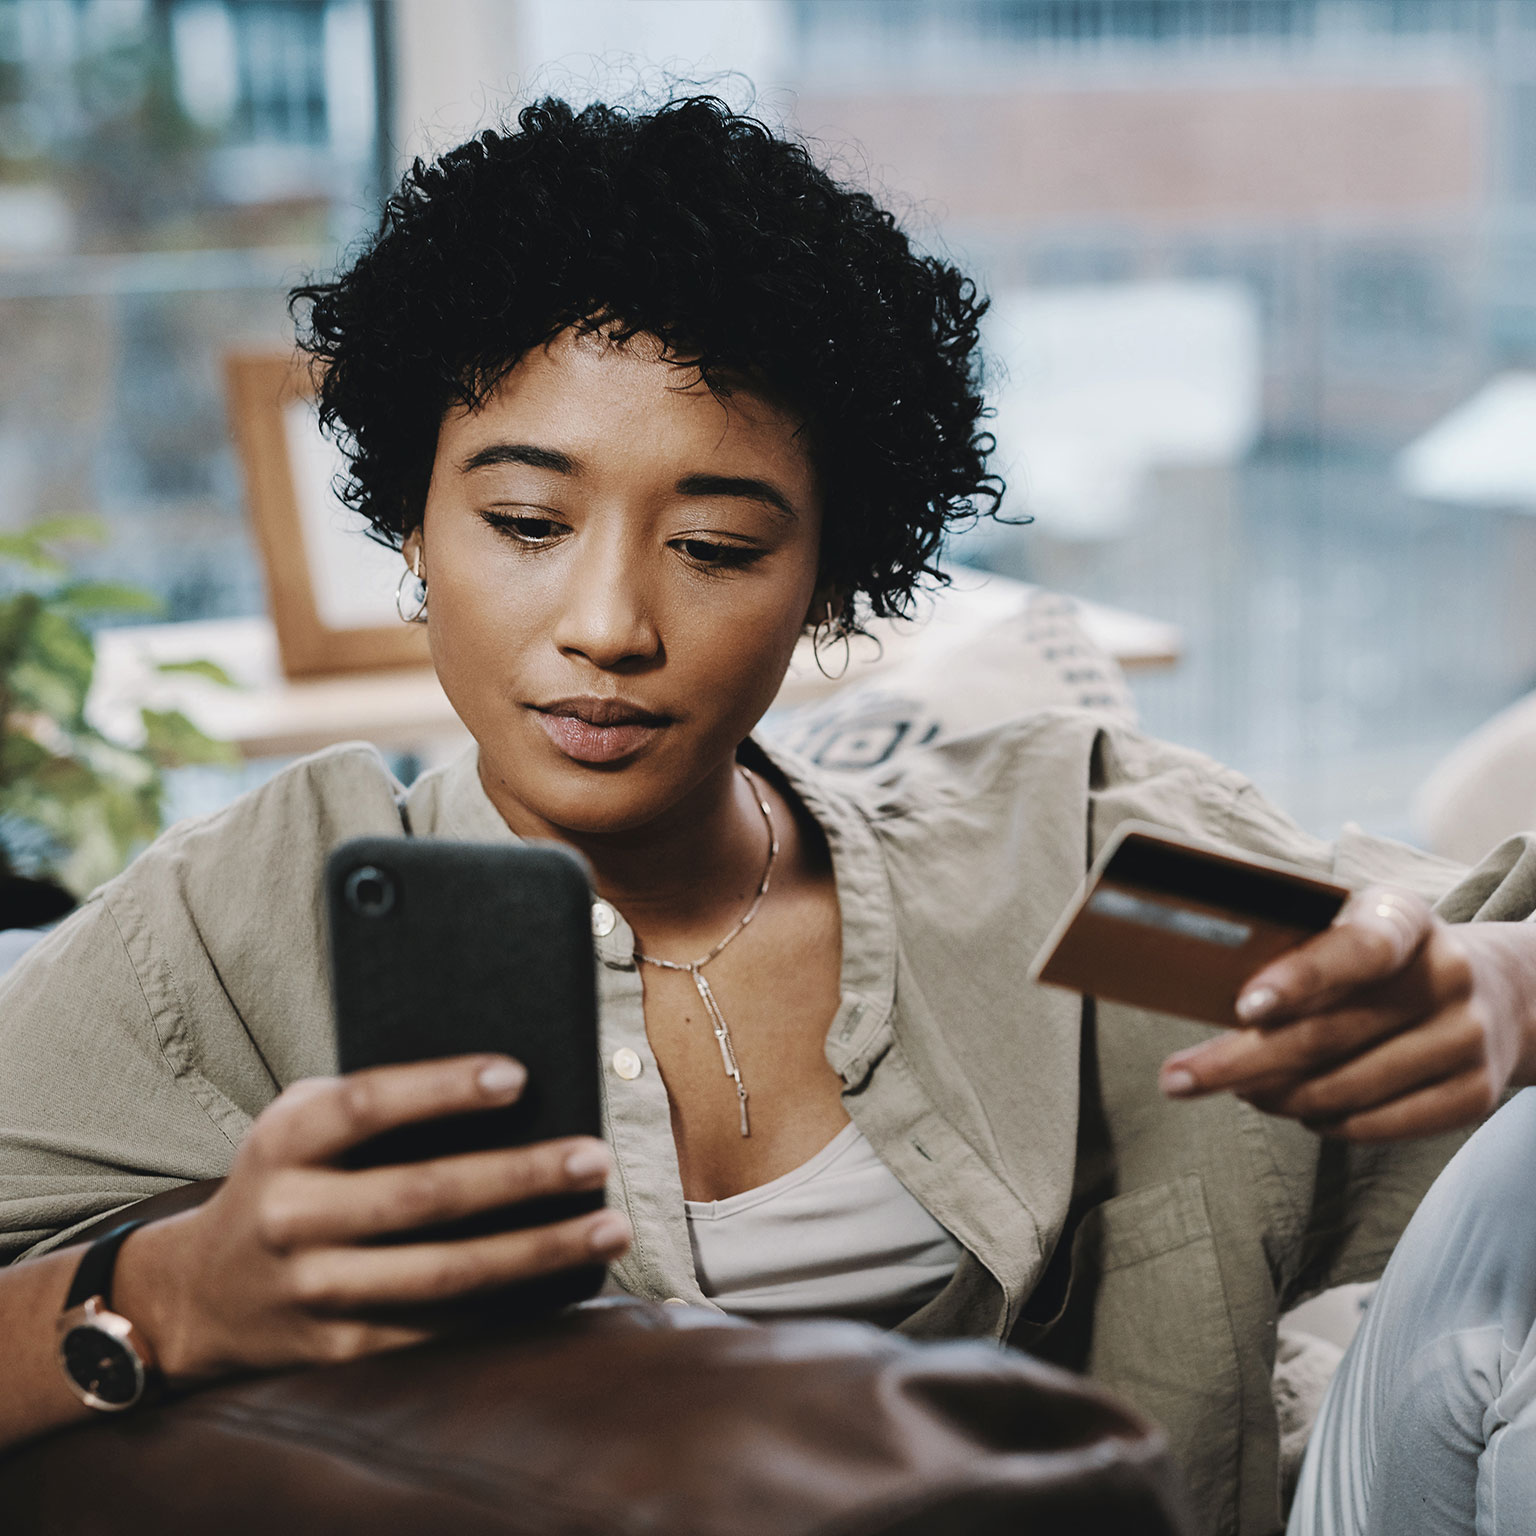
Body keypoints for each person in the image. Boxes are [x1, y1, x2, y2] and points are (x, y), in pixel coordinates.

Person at [1, 96, 1535, 1536]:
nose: (608, 625)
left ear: (826, 579)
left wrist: (1499, 990)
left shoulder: (1062, 880)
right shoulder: (246, 928)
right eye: (525, 523)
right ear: (413, 523)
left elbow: (1431, 972)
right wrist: (180, 1294)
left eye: (719, 547)